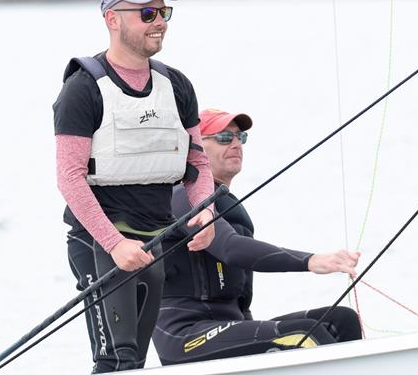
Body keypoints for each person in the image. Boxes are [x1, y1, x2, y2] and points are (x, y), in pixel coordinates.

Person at [52, 0, 216, 373]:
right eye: (147, 13)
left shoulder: (176, 86)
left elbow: (196, 163)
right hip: (99, 244)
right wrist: (113, 244)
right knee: (116, 360)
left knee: (136, 365)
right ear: (113, 19)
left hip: (154, 238)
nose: (159, 22)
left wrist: (204, 210)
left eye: (163, 13)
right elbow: (69, 177)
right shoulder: (83, 89)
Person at [152, 108, 363, 365]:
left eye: (240, 137)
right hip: (184, 334)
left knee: (340, 320)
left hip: (229, 325)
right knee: (305, 334)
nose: (236, 144)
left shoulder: (231, 207)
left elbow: (240, 295)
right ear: (193, 148)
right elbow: (230, 248)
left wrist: (253, 338)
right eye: (223, 137)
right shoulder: (181, 196)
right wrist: (311, 261)